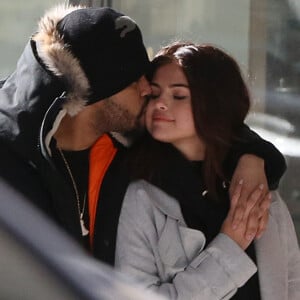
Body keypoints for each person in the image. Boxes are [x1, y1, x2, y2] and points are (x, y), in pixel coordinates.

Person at [0, 5, 286, 266]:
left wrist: (254, 157)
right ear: (100, 90)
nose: (148, 88)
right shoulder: (11, 157)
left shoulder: (125, 135)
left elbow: (213, 127)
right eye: (135, 80)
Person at [115, 42, 300, 299]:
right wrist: (231, 245)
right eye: (154, 94)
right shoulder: (141, 195)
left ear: (215, 103)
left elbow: (290, 281)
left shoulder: (255, 182)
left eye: (178, 95)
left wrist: (254, 158)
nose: (160, 104)